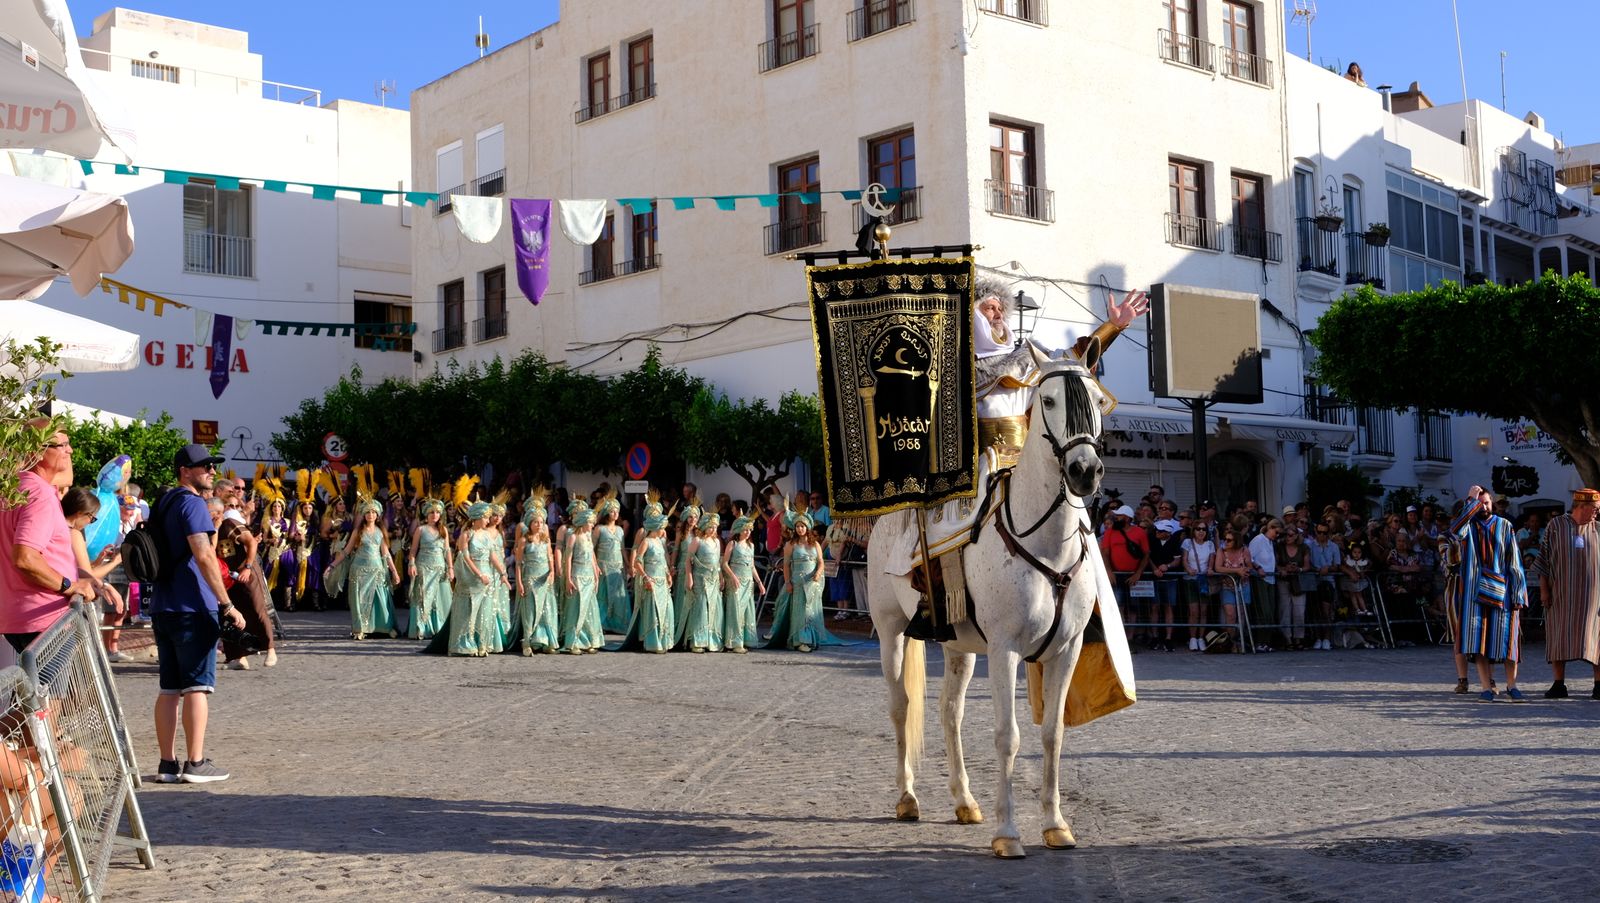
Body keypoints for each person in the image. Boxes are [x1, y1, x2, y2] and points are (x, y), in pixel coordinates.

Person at [149, 444, 247, 784]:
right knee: (197, 687)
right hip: (193, 605)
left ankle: (166, 765)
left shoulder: (163, 502)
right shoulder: (192, 504)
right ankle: (195, 762)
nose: (210, 470)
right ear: (184, 471)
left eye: (211, 465)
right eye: (203, 466)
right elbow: (204, 555)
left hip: (163, 605)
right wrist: (227, 604)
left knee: (169, 688)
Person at [0, 423, 99, 655]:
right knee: (56, 692)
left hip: (23, 616)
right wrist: (71, 586)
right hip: (43, 618)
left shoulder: (16, 487)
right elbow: (25, 558)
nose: (70, 450)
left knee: (43, 690)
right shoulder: (39, 495)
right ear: (37, 452)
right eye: (62, 445)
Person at [1452, 485, 1529, 702]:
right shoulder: (1468, 527)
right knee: (1480, 642)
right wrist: (1470, 499)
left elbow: (1514, 561)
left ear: (1492, 503)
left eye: (1486, 502)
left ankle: (1512, 686)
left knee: (1508, 641)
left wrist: (1518, 593)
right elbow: (1456, 529)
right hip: (1474, 595)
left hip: (1503, 592)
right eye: (1479, 503)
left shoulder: (1505, 525)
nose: (1483, 507)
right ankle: (1486, 688)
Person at [1537, 489, 1600, 699]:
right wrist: (1544, 590)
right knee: (1558, 637)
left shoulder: (1598, 528)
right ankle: (1558, 684)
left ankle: (1599, 685)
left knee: (1596, 639)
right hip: (1561, 595)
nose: (1597, 513)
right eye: (1595, 509)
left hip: (1593, 598)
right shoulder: (1555, 526)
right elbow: (1544, 559)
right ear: (1581, 506)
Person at [766, 512, 838, 652]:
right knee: (800, 611)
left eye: (802, 526)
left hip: (812, 582)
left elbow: (821, 562)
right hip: (797, 582)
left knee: (810, 611)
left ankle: (810, 639)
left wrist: (818, 573)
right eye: (798, 526)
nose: (800, 529)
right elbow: (786, 565)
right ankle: (800, 641)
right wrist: (787, 583)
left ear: (807, 527)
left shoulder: (815, 544)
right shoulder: (790, 544)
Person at [329, 499, 399, 640]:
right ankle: (360, 628)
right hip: (359, 571)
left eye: (373, 512)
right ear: (364, 514)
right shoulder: (358, 531)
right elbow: (346, 551)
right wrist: (332, 565)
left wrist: (394, 571)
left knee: (380, 599)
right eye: (367, 512)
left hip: (377, 571)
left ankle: (383, 627)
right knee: (359, 601)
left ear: (377, 515)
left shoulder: (380, 532)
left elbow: (386, 554)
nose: (370, 515)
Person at [449, 503, 503, 656]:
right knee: (468, 611)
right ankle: (464, 644)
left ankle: (482, 644)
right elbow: (465, 558)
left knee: (485, 612)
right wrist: (479, 574)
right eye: (485, 517)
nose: (488, 520)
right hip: (471, 578)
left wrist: (503, 574)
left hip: (487, 579)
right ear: (477, 518)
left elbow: (492, 556)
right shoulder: (466, 534)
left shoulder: (486, 535)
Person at [621, 506, 675, 653]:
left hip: (662, 581)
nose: (663, 529)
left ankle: (663, 640)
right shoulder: (646, 541)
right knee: (653, 610)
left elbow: (664, 559)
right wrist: (645, 578)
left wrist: (668, 574)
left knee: (666, 609)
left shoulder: (661, 541)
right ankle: (652, 642)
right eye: (661, 527)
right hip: (651, 580)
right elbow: (638, 561)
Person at [1098, 505, 1149, 648]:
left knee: (1133, 608)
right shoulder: (1109, 532)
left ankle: (1130, 638)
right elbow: (1105, 553)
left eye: (1119, 516)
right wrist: (1109, 571)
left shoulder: (1139, 532)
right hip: (1116, 575)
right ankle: (1120, 638)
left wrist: (1138, 573)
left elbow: (1146, 554)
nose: (1116, 518)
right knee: (1118, 607)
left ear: (1127, 518)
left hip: (1134, 577)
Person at [512, 498, 559, 654]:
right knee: (530, 610)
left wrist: (552, 571)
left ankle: (545, 641)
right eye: (535, 522)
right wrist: (518, 583)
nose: (539, 525)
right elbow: (518, 564)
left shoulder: (546, 540)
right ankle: (527, 641)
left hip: (544, 579)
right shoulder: (525, 540)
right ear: (530, 523)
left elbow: (550, 557)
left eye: (541, 522)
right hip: (530, 579)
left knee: (546, 609)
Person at [407, 499, 454, 641]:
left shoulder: (443, 530)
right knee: (422, 597)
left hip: (440, 569)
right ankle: (421, 628)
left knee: (439, 599)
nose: (435, 515)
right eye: (432, 512)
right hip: (424, 568)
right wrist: (411, 564)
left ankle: (439, 628)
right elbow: (413, 550)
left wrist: (451, 568)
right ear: (426, 514)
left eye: (438, 512)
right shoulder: (420, 530)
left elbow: (447, 551)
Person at [559, 505, 604, 654]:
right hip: (577, 575)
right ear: (584, 522)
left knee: (590, 609)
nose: (593, 525)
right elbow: (569, 557)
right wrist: (568, 578)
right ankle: (573, 642)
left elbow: (591, 556)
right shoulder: (573, 536)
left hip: (589, 576)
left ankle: (589, 641)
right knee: (576, 608)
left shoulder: (588, 537)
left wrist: (596, 573)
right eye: (591, 522)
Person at [678, 512, 724, 653]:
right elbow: (688, 560)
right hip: (700, 579)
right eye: (710, 527)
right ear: (704, 527)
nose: (713, 530)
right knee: (701, 608)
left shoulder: (716, 542)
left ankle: (711, 641)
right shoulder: (697, 541)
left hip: (713, 579)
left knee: (714, 609)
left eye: (715, 527)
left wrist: (721, 577)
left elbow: (718, 563)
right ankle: (697, 641)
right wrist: (689, 578)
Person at [721, 515, 765, 654]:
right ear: (739, 530)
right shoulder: (732, 544)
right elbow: (725, 563)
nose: (747, 532)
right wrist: (733, 577)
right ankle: (735, 642)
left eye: (749, 530)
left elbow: (752, 566)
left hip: (748, 582)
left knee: (747, 610)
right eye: (745, 530)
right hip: (736, 581)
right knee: (735, 610)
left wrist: (759, 583)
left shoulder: (750, 545)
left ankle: (747, 639)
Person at [593, 495, 631, 633]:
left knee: (619, 595)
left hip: (618, 566)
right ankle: (602, 623)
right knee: (603, 595)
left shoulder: (620, 530)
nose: (615, 514)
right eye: (612, 511)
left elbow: (622, 549)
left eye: (617, 511)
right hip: (603, 565)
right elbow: (591, 548)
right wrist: (594, 565)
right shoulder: (599, 529)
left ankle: (618, 623)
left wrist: (628, 565)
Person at [1146, 518, 1184, 651]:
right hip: (1154, 579)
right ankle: (1154, 637)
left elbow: (1177, 561)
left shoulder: (1174, 543)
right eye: (1157, 529)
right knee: (1154, 607)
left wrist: (1167, 566)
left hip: (1170, 580)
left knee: (1169, 607)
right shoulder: (1152, 540)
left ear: (1167, 533)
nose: (1157, 532)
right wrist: (1155, 569)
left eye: (1160, 531)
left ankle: (1168, 638)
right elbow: (1148, 556)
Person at [1212, 527, 1253, 649]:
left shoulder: (1244, 550)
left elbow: (1250, 565)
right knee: (1230, 614)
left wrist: (1245, 570)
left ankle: (1239, 639)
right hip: (1227, 586)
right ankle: (1230, 641)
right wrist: (1237, 570)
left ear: (1237, 541)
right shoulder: (1221, 551)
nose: (1226, 542)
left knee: (1241, 613)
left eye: (1229, 540)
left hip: (1243, 585)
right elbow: (1218, 568)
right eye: (1225, 539)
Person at [1306, 522, 1344, 651]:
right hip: (1314, 581)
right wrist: (1316, 569)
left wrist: (1328, 568)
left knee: (1326, 611)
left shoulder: (1333, 547)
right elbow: (1307, 563)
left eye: (1325, 533)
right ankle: (1318, 638)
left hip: (1328, 581)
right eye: (1319, 532)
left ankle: (1327, 638)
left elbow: (1337, 565)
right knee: (1316, 611)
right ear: (1316, 532)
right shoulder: (1310, 546)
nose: (1322, 535)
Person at [1180, 523, 1216, 652]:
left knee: (1204, 610)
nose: (1201, 531)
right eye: (1198, 529)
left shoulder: (1210, 544)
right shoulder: (1187, 542)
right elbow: (1184, 559)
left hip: (1204, 580)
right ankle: (1192, 638)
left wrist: (1210, 569)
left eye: (1203, 529)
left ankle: (1201, 638)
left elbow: (1211, 559)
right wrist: (1188, 569)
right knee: (1193, 610)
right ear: (1193, 530)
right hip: (1190, 580)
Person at [1276, 526, 1311, 650]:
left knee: (1299, 611)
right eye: (1286, 535)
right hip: (1283, 581)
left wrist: (1298, 569)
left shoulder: (1304, 548)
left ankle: (1298, 638)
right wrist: (1283, 569)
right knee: (1285, 610)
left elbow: (1307, 565)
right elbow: (1275, 563)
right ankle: (1287, 638)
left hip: (1298, 582)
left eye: (1290, 535)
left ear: (1296, 535)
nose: (1287, 538)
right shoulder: (1279, 547)